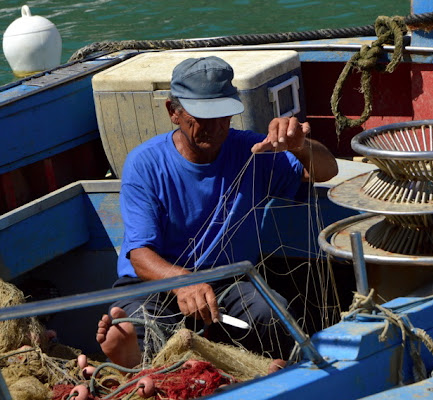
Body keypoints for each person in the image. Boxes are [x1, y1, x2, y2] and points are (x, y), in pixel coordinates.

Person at [97, 56, 338, 369]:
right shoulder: (145, 164)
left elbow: (326, 170)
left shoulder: (253, 150)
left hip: (229, 282)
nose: (215, 127)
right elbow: (140, 256)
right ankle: (132, 353)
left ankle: (264, 369)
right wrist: (183, 281)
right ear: (173, 111)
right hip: (155, 285)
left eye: (223, 115)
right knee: (147, 328)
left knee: (271, 314)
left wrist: (299, 145)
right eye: (202, 116)